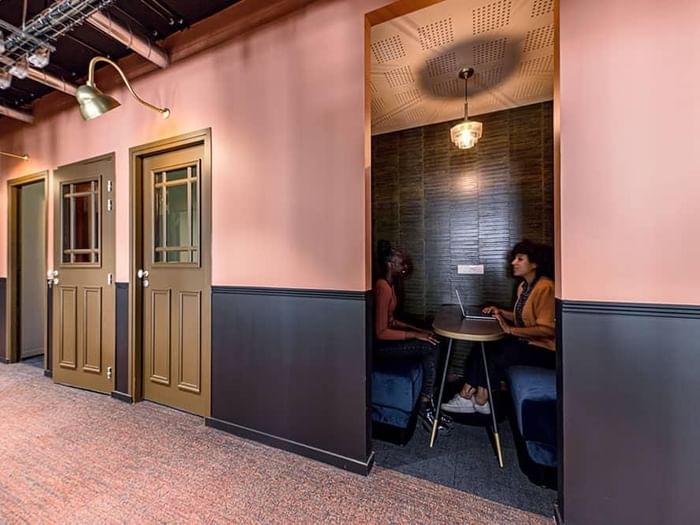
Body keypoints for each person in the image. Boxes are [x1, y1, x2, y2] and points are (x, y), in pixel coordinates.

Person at [441, 240, 555, 415]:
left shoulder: (545, 287)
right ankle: (479, 398)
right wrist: (500, 312)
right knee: (483, 347)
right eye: (514, 258)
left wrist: (510, 330)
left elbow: (547, 329)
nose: (513, 263)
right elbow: (522, 317)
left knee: (495, 354)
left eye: (520, 259)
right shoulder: (523, 287)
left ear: (535, 264)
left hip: (545, 350)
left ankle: (470, 396)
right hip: (527, 342)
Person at [373, 240, 450, 431]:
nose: (405, 266)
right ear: (390, 264)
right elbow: (381, 332)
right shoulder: (382, 286)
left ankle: (430, 398)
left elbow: (392, 320)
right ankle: (425, 403)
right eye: (401, 263)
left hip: (387, 339)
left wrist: (419, 331)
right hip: (380, 346)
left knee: (433, 338)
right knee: (432, 345)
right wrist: (414, 335)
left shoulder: (391, 285)